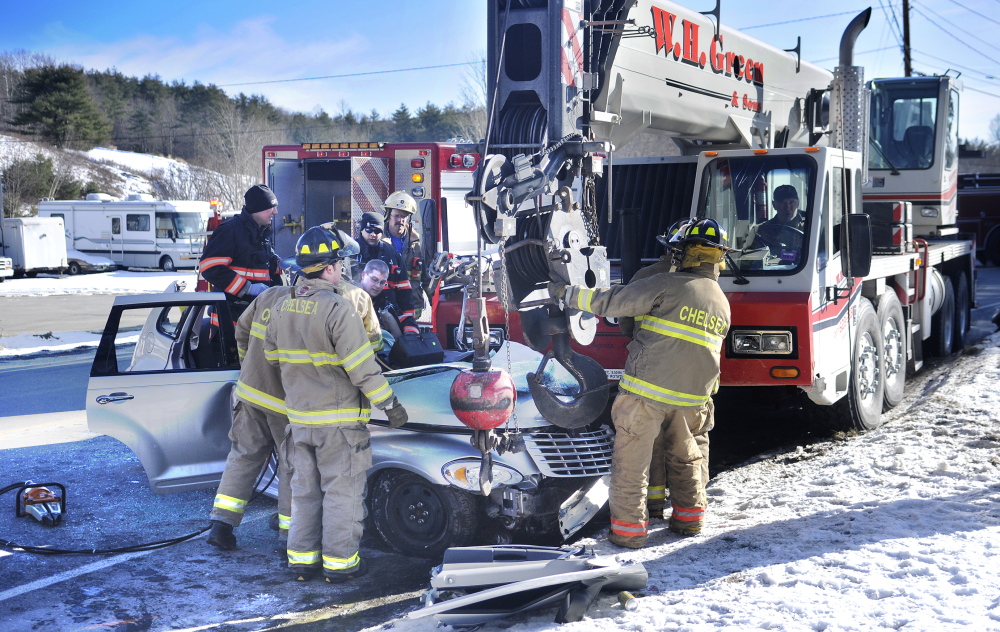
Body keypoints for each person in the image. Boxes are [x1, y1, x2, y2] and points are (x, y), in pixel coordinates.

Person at [548, 218, 732, 548]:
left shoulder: (664, 284)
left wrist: (565, 293)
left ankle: (628, 534)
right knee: (686, 457)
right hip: (694, 399)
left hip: (646, 393)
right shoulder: (721, 300)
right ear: (720, 257)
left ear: (683, 253)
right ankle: (689, 520)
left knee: (632, 465)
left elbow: (611, 303)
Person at [265, 226, 409, 583]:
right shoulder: (339, 309)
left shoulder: (282, 307)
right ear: (328, 267)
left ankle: (301, 562)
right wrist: (389, 405)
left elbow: (271, 356)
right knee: (341, 494)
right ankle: (340, 566)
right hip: (339, 424)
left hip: (299, 421)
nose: (344, 269)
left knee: (305, 494)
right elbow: (363, 369)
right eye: (340, 263)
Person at [206, 281, 295, 551]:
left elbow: (241, 332)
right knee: (293, 466)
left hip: (250, 393)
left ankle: (221, 525)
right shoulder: (317, 305)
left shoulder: (267, 295)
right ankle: (288, 535)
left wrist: (249, 367)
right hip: (284, 404)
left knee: (243, 457)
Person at [199, 185, 283, 323]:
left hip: (254, 320)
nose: (276, 212)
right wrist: (247, 288)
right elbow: (209, 268)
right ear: (257, 208)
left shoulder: (262, 233)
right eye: (271, 207)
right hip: (230, 322)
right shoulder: (230, 231)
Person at [356, 211, 419, 336]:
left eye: (377, 231)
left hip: (386, 316)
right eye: (369, 230)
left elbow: (405, 294)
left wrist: (409, 327)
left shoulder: (392, 254)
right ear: (361, 229)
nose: (373, 234)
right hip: (356, 316)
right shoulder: (350, 252)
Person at [382, 192, 426, 320]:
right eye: (396, 216)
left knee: (409, 338)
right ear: (388, 216)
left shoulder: (417, 244)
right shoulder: (379, 242)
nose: (400, 220)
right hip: (385, 306)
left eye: (404, 216)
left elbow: (427, 277)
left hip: (412, 307)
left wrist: (438, 301)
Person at [355, 258, 401, 351]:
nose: (378, 286)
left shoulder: (383, 301)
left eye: (382, 282)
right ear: (363, 275)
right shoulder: (352, 298)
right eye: (374, 279)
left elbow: (398, 338)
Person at [751, 184, 805, 258]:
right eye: (782, 203)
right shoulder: (761, 231)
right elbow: (754, 260)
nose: (788, 208)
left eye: (791, 202)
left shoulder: (810, 226)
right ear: (774, 205)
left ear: (798, 203)